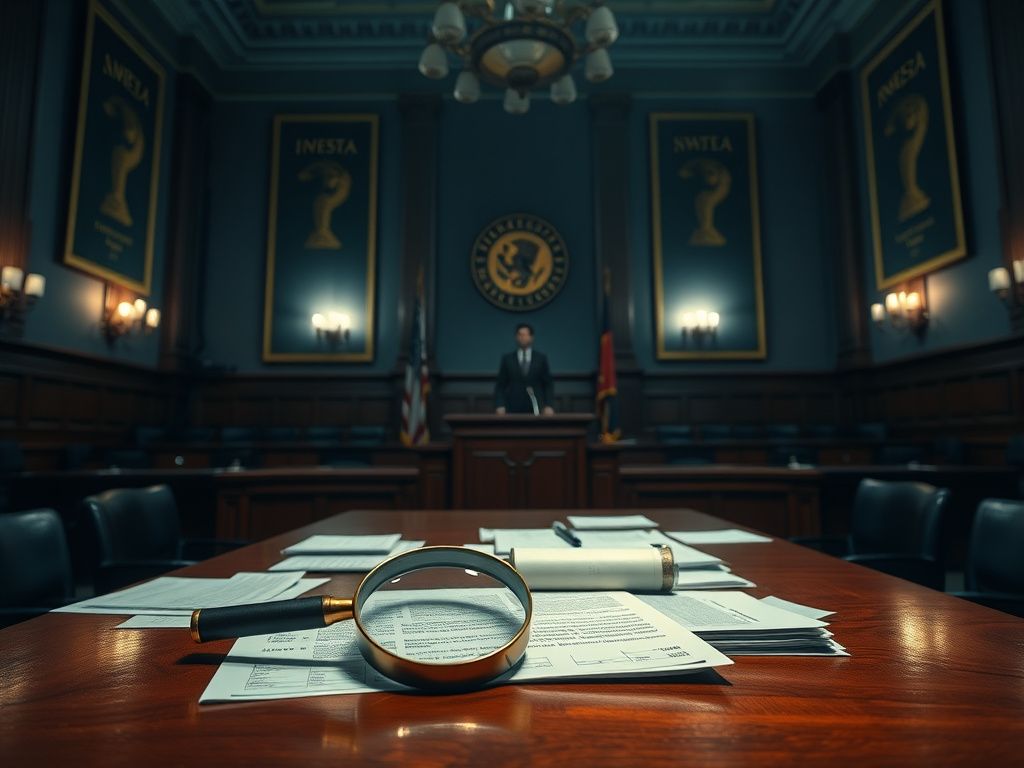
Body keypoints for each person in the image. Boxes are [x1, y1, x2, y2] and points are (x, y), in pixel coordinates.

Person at [494, 323, 555, 415]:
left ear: (531, 337)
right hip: (512, 406)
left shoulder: (541, 358)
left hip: (536, 406)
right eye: (520, 334)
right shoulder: (507, 359)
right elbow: (500, 385)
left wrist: (549, 405)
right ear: (516, 337)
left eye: (525, 334)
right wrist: (500, 405)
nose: (522, 337)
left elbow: (547, 384)